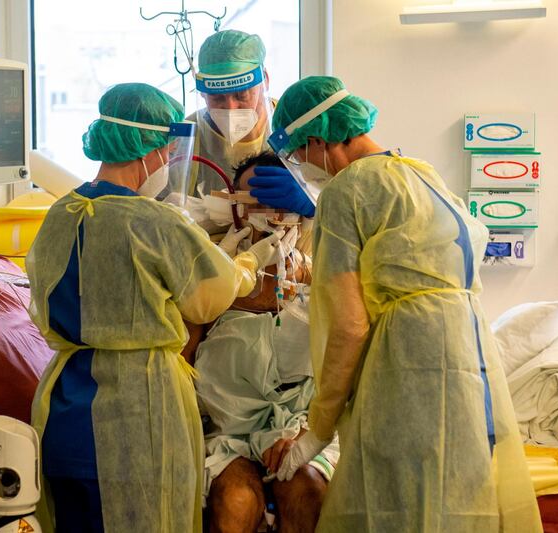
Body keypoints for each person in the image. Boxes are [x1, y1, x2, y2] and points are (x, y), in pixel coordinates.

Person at [261, 76, 542, 532]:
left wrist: (318, 429)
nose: (301, 168)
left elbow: (348, 326)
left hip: (408, 366)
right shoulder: (422, 173)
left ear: (318, 141)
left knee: (398, 507)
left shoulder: (345, 191)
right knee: (456, 502)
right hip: (472, 364)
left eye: (297, 156)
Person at [27, 82, 283, 533]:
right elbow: (211, 297)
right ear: (148, 149)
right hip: (138, 407)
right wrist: (246, 260)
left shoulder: (59, 213)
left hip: (63, 405)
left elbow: (40, 302)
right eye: (165, 153)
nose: (167, 163)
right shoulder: (154, 221)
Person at [195, 153, 338, 533]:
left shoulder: (325, 273)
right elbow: (179, 359)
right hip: (227, 431)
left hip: (303, 424)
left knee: (306, 488)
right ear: (234, 207)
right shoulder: (209, 276)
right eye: (256, 198)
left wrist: (310, 432)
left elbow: (348, 362)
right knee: (236, 500)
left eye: (280, 199)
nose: (270, 212)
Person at [189, 29, 274, 197]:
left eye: (241, 95)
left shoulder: (288, 122)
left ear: (264, 80)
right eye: (217, 98)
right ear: (203, 94)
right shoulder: (187, 136)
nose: (230, 107)